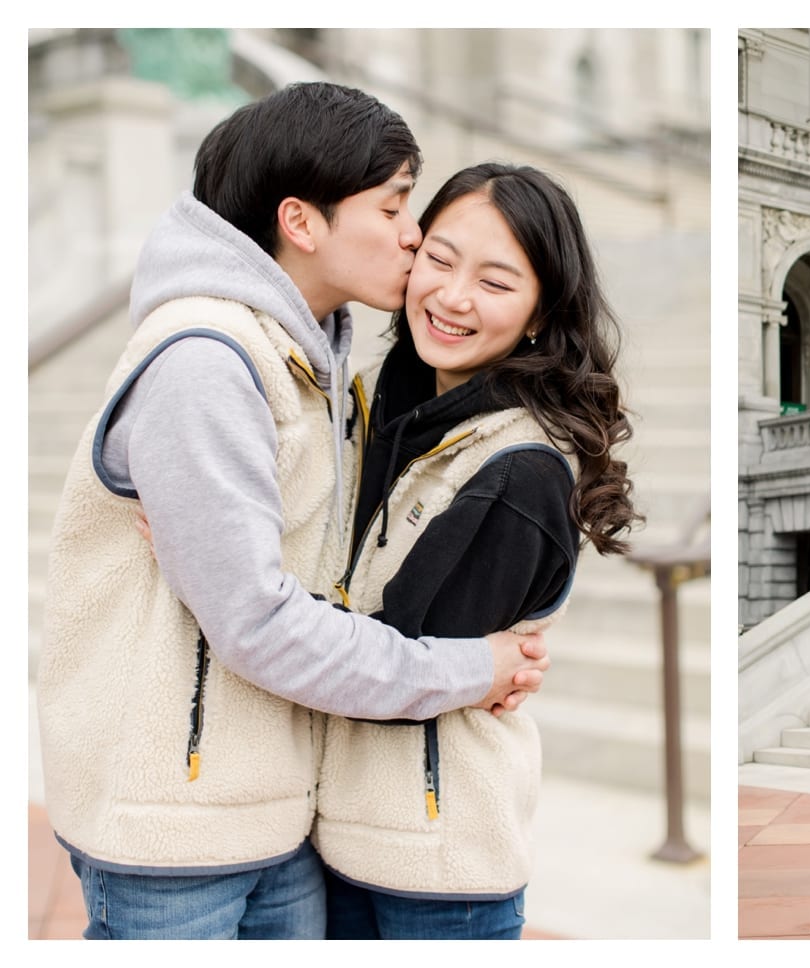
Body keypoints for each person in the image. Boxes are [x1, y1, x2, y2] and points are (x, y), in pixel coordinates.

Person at [37, 83, 550, 940]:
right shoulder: (207, 359)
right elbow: (258, 624)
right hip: (174, 826)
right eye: (392, 206)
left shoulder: (312, 366)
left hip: (275, 810)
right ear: (302, 222)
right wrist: (473, 669)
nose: (413, 234)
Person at [312, 162, 640, 939]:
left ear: (538, 314)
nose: (453, 297)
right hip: (331, 837)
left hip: (438, 866)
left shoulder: (521, 471)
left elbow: (397, 669)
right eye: (440, 259)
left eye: (496, 282)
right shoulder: (366, 401)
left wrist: (231, 580)